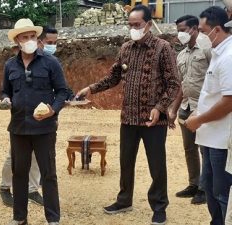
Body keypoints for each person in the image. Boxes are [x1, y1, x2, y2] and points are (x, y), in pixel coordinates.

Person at [76, 5, 180, 225]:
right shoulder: (125, 49)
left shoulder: (163, 48)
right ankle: (124, 200)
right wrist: (91, 88)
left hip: (153, 121)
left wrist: (160, 108)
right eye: (130, 25)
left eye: (137, 25)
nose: (133, 29)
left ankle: (159, 206)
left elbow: (173, 84)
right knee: (126, 162)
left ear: (149, 24)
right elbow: (113, 77)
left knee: (157, 165)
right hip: (128, 118)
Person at [2, 18, 68, 225]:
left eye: (33, 36)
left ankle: (53, 219)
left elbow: (62, 91)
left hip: (44, 128)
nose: (30, 40)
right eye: (25, 37)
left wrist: (53, 110)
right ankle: (20, 218)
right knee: (19, 174)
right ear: (18, 40)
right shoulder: (10, 65)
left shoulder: (50, 62)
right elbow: (6, 90)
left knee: (48, 174)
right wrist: (5, 99)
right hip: (19, 128)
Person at [185, 6, 232, 224]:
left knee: (222, 194)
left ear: (217, 29)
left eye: (203, 31)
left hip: (222, 140)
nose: (200, 35)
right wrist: (199, 111)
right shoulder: (218, 52)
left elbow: (228, 102)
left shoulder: (229, 56)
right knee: (212, 190)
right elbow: (213, 94)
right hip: (211, 137)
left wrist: (198, 119)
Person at [168, 15, 211, 205]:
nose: (180, 34)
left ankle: (204, 188)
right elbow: (180, 85)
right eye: (178, 30)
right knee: (189, 149)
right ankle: (193, 184)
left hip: (203, 109)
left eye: (183, 30)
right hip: (186, 107)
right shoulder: (181, 55)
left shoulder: (207, 50)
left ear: (194, 29)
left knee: (205, 150)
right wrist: (174, 110)